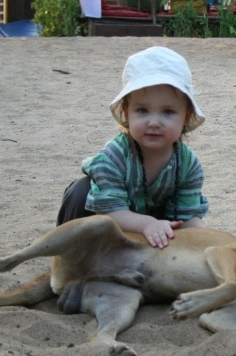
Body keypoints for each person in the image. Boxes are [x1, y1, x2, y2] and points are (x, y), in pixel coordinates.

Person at [57, 46, 209, 249]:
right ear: (127, 112)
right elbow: (107, 212)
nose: (154, 122)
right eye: (142, 110)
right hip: (108, 220)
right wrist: (147, 223)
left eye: (168, 112)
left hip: (154, 228)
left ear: (186, 117)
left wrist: (210, 240)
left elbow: (187, 217)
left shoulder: (188, 164)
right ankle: (70, 255)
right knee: (81, 192)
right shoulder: (114, 157)